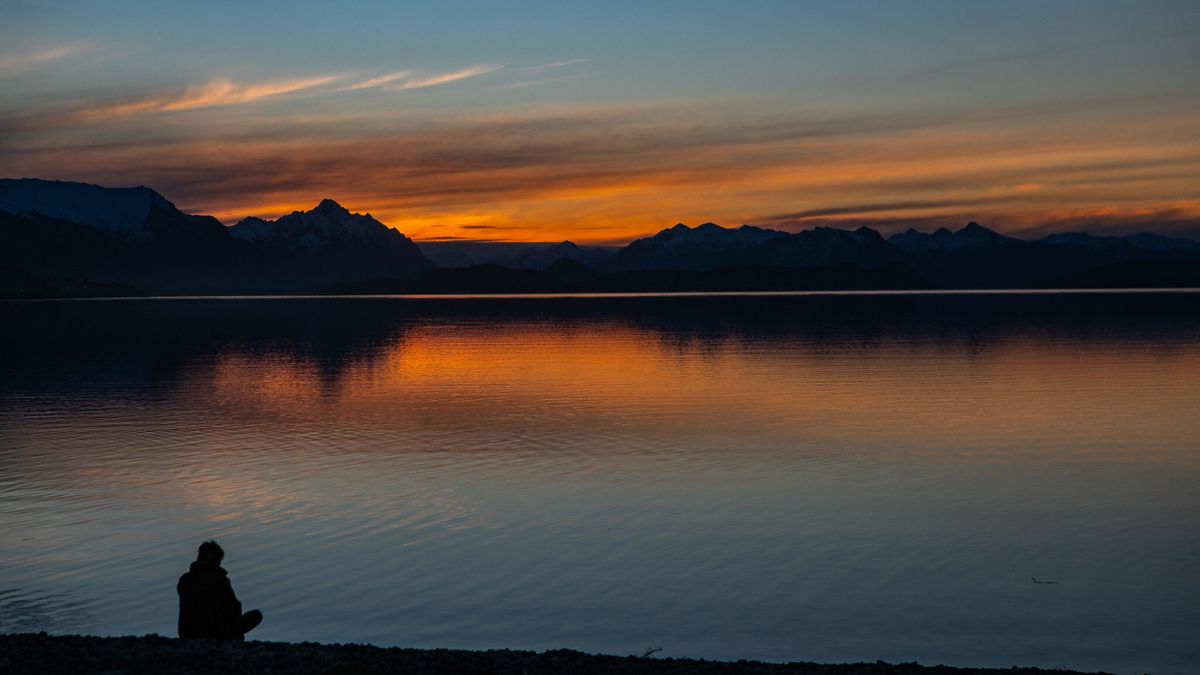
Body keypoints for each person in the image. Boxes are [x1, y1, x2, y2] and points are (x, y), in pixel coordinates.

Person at [177, 540, 263, 640]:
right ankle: (235, 643)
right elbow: (234, 609)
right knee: (256, 615)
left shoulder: (184, 580)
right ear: (216, 560)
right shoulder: (220, 581)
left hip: (187, 633)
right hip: (216, 633)